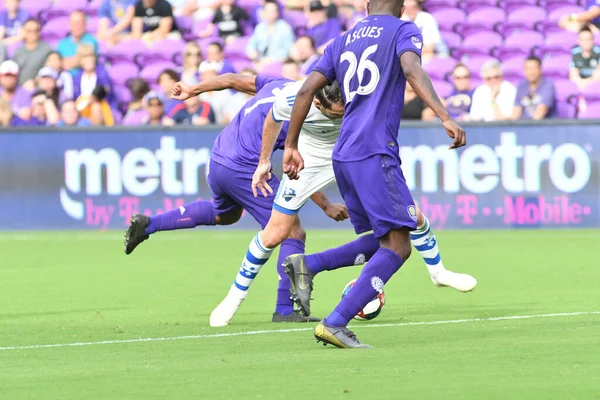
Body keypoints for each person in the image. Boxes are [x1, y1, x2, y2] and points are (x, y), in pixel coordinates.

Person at [281, 0, 467, 348]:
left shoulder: (341, 40)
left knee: (380, 240)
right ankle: (335, 321)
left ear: (366, 7)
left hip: (345, 154)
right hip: (374, 151)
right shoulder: (403, 30)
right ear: (400, 10)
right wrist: (444, 115)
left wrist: (291, 145)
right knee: (398, 247)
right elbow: (411, 69)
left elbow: (305, 90)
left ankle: (310, 264)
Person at [123, 73, 346, 324]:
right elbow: (298, 169)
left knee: (225, 215)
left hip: (219, 156)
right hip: (245, 167)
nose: (336, 117)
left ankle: (150, 224)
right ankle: (285, 309)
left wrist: (193, 89)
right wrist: (326, 205)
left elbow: (231, 79)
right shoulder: (300, 118)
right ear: (317, 102)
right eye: (335, 113)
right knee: (292, 232)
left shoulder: (281, 84)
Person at [512, 56, 557, 120]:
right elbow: (516, 112)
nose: (531, 72)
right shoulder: (521, 86)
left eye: (534, 68)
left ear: (540, 70)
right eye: (528, 68)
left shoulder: (548, 85)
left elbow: (540, 113)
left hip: (543, 126)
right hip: (524, 126)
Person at [12, 18, 52, 88]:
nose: (33, 33)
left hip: (39, 88)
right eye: (30, 30)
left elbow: (49, 71)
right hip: (19, 89)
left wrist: (34, 82)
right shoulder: (18, 51)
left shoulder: (47, 49)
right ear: (24, 31)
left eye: (36, 30)